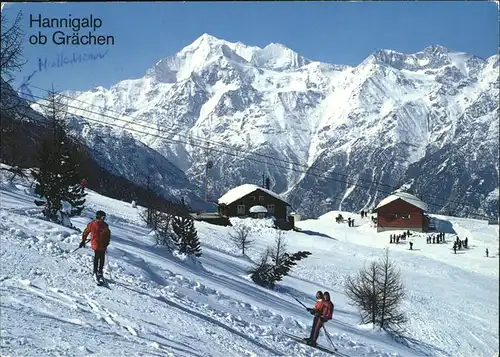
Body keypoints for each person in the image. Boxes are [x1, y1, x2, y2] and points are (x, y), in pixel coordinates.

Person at [80, 210, 111, 282]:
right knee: (97, 257)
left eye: (104, 218)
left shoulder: (105, 225)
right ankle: (95, 271)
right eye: (103, 217)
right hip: (96, 244)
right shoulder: (92, 224)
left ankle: (100, 272)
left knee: (102, 258)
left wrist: (107, 242)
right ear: (99, 217)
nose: (103, 219)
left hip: (103, 244)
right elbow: (86, 232)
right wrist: (83, 240)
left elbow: (108, 235)